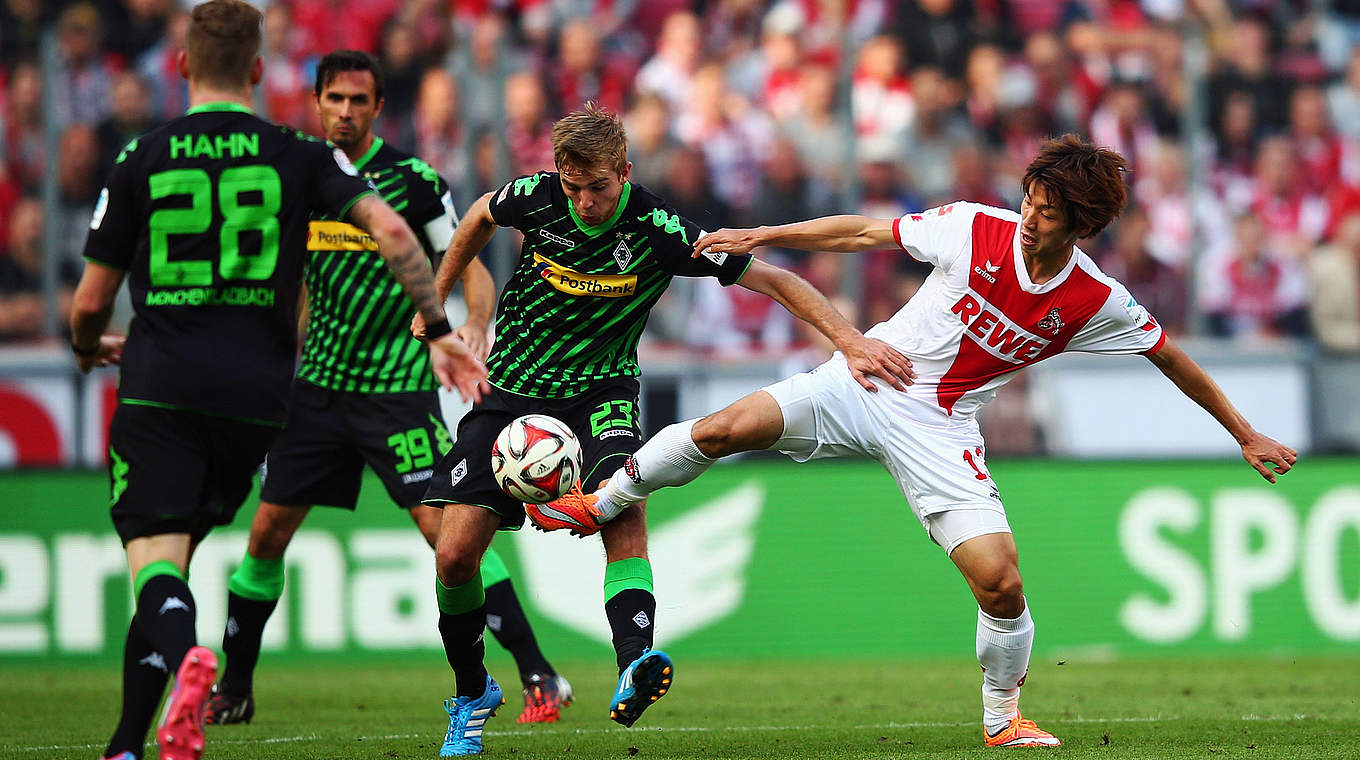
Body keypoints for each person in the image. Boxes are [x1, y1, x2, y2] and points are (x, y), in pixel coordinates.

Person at [541, 134, 1298, 748]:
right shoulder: (975, 227)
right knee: (720, 428)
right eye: (1029, 201)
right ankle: (598, 500)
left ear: (1082, 225)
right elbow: (864, 230)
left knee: (1001, 583)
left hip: (941, 427)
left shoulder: (1094, 298)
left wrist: (1244, 432)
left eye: (1047, 212)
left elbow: (1169, 355)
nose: (1029, 218)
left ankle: (1003, 720)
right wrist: (764, 234)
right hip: (867, 375)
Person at [414, 102, 912, 756]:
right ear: (557, 175)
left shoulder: (657, 229)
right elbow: (478, 213)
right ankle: (474, 689)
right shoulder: (535, 198)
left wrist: (848, 340)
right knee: (454, 556)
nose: (585, 202)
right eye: (573, 188)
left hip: (602, 395)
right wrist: (435, 306)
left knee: (624, 514)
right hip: (510, 390)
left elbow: (774, 278)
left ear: (625, 170)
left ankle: (633, 664)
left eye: (598, 187)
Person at [70, 4, 486, 760]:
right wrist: (443, 328)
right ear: (260, 71)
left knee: (160, 563)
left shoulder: (142, 155)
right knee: (234, 538)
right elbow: (395, 233)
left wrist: (81, 344)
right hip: (261, 396)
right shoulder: (296, 154)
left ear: (184, 65)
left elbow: (92, 302)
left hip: (162, 383)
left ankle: (192, 656)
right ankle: (130, 742)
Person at [205, 50, 572, 729]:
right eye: (334, 99)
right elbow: (301, 287)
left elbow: (468, 265)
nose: (345, 111)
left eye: (358, 100)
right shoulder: (297, 176)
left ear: (377, 108)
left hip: (396, 390)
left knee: (452, 539)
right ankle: (235, 687)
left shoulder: (414, 183)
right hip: (314, 393)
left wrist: (478, 322)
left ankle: (537, 672)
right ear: (317, 102)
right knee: (264, 536)